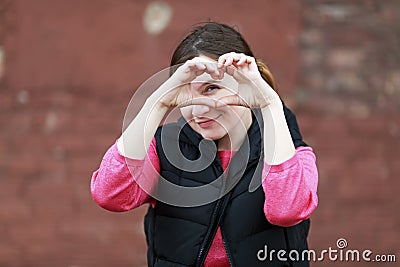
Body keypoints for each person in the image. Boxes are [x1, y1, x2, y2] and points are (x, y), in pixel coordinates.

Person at [91, 22, 318, 267]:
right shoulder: (163, 148)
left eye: (212, 88)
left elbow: (287, 211)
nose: (198, 110)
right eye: (186, 93)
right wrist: (157, 104)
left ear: (246, 84)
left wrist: (270, 104)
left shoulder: (288, 148)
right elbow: (110, 195)